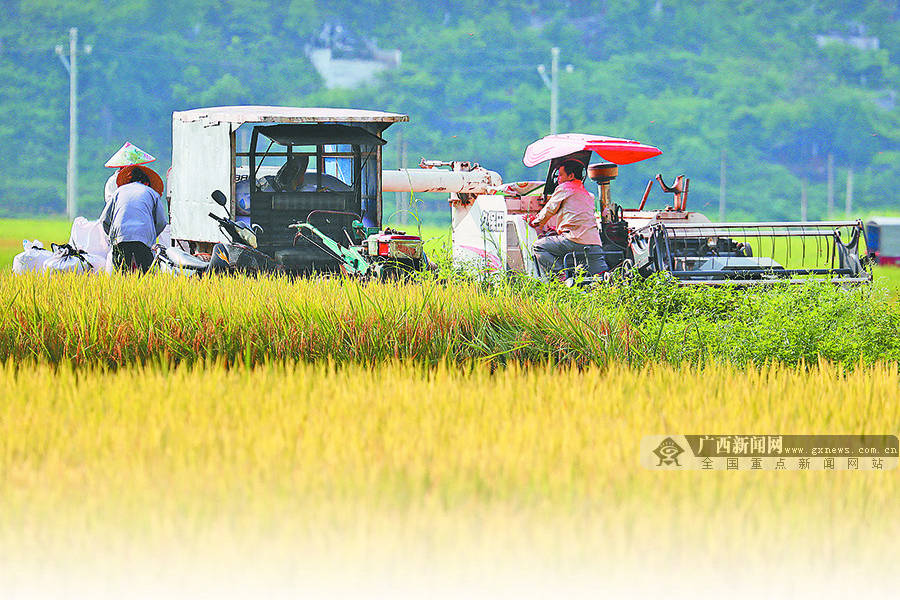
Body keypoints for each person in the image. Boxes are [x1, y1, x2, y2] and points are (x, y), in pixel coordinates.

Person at [527, 159, 608, 277]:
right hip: (595, 242)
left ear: (571, 176)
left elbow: (549, 210)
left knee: (539, 246)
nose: (558, 178)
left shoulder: (565, 188)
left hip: (574, 240)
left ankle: (560, 279)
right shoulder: (588, 195)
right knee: (599, 275)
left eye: (560, 175)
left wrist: (535, 221)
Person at [101, 164, 167, 272]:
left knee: (122, 274)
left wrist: (113, 236)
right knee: (144, 275)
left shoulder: (118, 192)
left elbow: (104, 219)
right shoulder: (151, 193)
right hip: (143, 238)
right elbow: (161, 222)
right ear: (146, 183)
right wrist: (151, 236)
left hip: (120, 237)